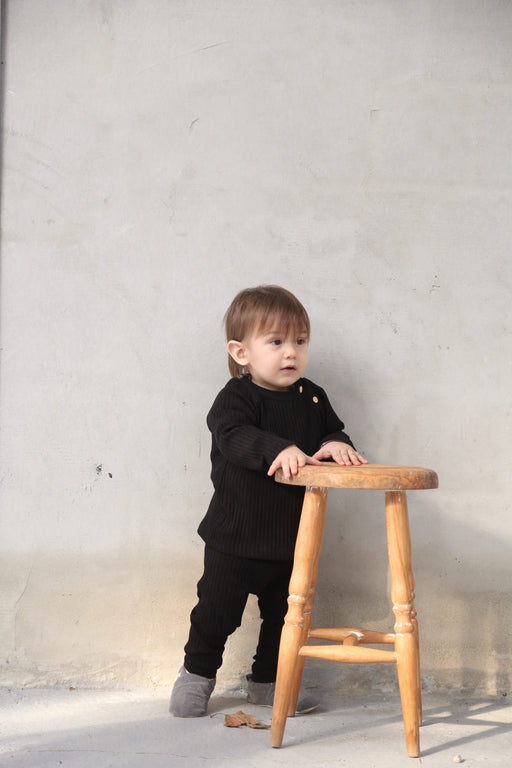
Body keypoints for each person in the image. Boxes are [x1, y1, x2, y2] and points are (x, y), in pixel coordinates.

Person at [170, 285, 367, 717]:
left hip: (291, 538)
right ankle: (196, 674)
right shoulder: (236, 399)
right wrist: (279, 448)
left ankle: (268, 682)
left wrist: (336, 443)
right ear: (241, 353)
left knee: (285, 617)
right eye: (276, 342)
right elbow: (233, 435)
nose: (290, 352)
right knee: (216, 612)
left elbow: (331, 429)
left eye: (300, 341)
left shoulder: (312, 397)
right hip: (236, 536)